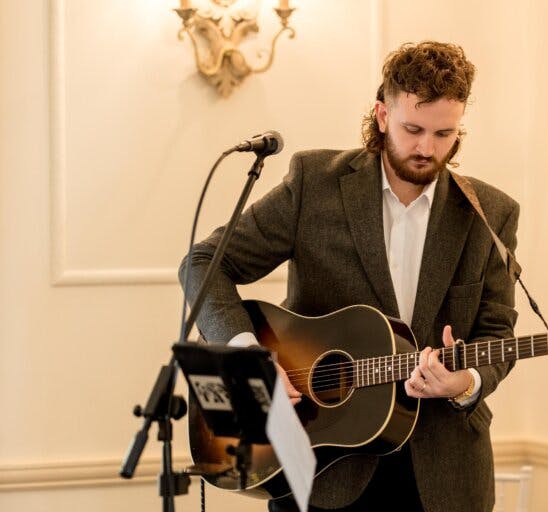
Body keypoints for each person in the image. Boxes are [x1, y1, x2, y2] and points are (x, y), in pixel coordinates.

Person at [180, 41, 519, 512]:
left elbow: (498, 334)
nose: (427, 148)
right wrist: (249, 359)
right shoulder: (312, 183)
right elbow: (203, 263)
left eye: (445, 133)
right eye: (413, 128)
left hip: (443, 478)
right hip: (320, 468)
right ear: (382, 114)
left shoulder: (490, 215)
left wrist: (465, 382)